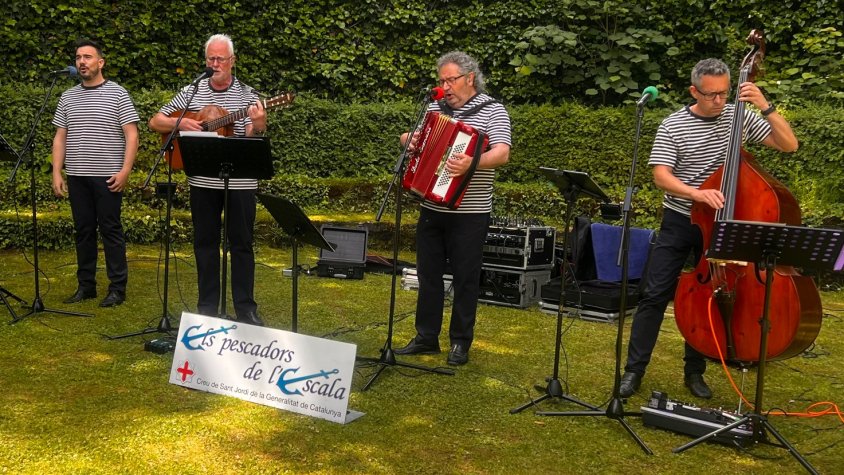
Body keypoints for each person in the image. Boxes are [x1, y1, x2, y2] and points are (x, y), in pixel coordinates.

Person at [619, 58, 799, 399]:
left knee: (710, 294)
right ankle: (633, 371)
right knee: (654, 294)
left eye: (724, 93)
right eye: (710, 94)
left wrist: (765, 106)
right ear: (694, 91)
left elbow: (789, 144)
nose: (719, 101)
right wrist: (696, 193)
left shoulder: (740, 116)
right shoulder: (673, 125)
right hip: (681, 220)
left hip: (722, 223)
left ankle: (695, 372)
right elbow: (661, 175)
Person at [394, 51, 512, 365]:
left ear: (470, 78)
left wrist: (471, 163)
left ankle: (460, 342)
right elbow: (414, 138)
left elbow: (501, 153)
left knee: (465, 278)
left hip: (471, 213)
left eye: (451, 80)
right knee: (428, 275)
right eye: (442, 81)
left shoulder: (493, 110)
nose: (445, 87)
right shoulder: (435, 109)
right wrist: (409, 139)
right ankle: (426, 337)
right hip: (432, 207)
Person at [149, 34, 267, 326]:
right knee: (205, 244)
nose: (215, 64)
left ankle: (245, 309)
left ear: (232, 61)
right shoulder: (192, 91)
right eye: (211, 59)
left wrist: (258, 124)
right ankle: (207, 308)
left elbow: (252, 136)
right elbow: (155, 121)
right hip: (202, 181)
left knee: (242, 245)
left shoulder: (248, 95)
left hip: (240, 182)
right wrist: (182, 122)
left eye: (220, 59)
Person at [52, 38, 139, 308]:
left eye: (87, 57)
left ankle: (117, 289)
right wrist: (57, 172)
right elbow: (60, 137)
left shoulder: (118, 94)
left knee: (111, 230)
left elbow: (132, 135)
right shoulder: (67, 97)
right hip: (77, 176)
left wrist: (125, 170)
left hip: (108, 176)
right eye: (78, 57)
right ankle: (86, 286)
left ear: (100, 62)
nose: (82, 62)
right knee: (83, 231)